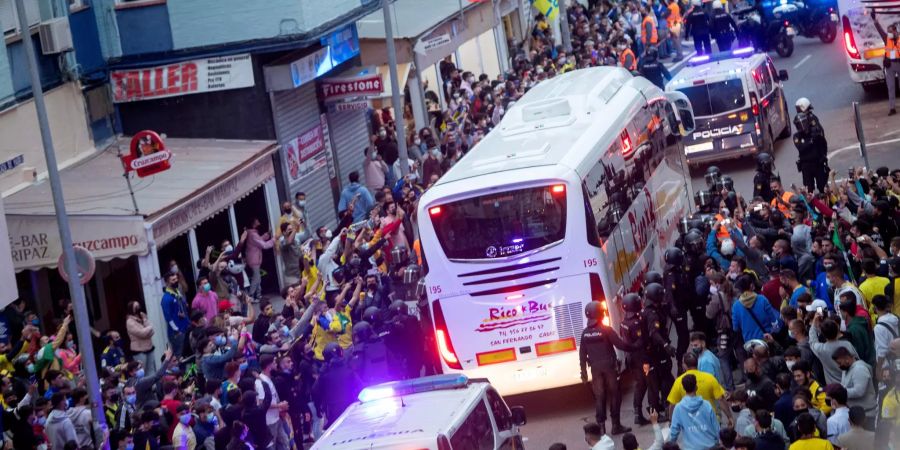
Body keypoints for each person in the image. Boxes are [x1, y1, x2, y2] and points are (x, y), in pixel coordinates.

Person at [580, 301, 635, 435]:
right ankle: (616, 426)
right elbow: (620, 345)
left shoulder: (585, 333)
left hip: (595, 369)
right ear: (599, 313)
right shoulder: (606, 330)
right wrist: (635, 346)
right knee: (615, 395)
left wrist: (584, 373)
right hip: (610, 368)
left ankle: (602, 428)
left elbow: (582, 354)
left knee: (600, 397)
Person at [620, 293, 650, 426]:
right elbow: (641, 341)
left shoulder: (623, 322)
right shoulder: (636, 323)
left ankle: (638, 413)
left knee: (640, 384)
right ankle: (652, 410)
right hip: (642, 359)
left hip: (631, 359)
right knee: (650, 382)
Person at [669, 374, 720, 449]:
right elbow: (716, 427)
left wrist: (669, 445)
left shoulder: (679, 408)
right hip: (711, 446)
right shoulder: (706, 405)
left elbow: (674, 432)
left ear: (683, 388)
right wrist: (719, 442)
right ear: (696, 387)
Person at [792, 98, 829, 193]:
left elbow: (823, 142)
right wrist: (811, 140)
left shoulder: (813, 124)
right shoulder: (797, 136)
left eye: (804, 123)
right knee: (809, 190)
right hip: (806, 165)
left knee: (823, 187)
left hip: (818, 162)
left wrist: (823, 155)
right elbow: (801, 147)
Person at [833, 346, 878, 422]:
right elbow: (844, 386)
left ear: (847, 358)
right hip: (856, 413)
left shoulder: (859, 369)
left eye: (839, 363)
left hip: (867, 415)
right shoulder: (846, 369)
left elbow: (859, 391)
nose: (839, 366)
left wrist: (841, 392)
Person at [872, 9, 900, 115]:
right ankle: (892, 108)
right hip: (890, 65)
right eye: (888, 32)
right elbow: (879, 30)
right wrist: (875, 20)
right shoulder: (886, 39)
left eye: (891, 32)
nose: (889, 34)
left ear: (895, 31)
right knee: (891, 87)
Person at [243, 218, 274, 302]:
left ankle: (258, 296)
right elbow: (264, 245)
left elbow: (259, 240)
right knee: (256, 278)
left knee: (257, 278)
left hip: (254, 259)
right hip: (254, 259)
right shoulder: (253, 234)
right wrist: (274, 239)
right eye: (257, 220)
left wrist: (268, 234)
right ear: (253, 223)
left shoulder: (252, 233)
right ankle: (251, 296)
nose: (259, 222)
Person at [162, 272, 190, 355]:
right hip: (177, 333)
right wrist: (176, 330)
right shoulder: (166, 298)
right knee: (180, 356)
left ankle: (192, 368)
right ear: (167, 282)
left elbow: (183, 306)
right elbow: (168, 317)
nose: (176, 281)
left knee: (188, 354)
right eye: (173, 280)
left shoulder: (177, 292)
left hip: (185, 327)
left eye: (176, 279)